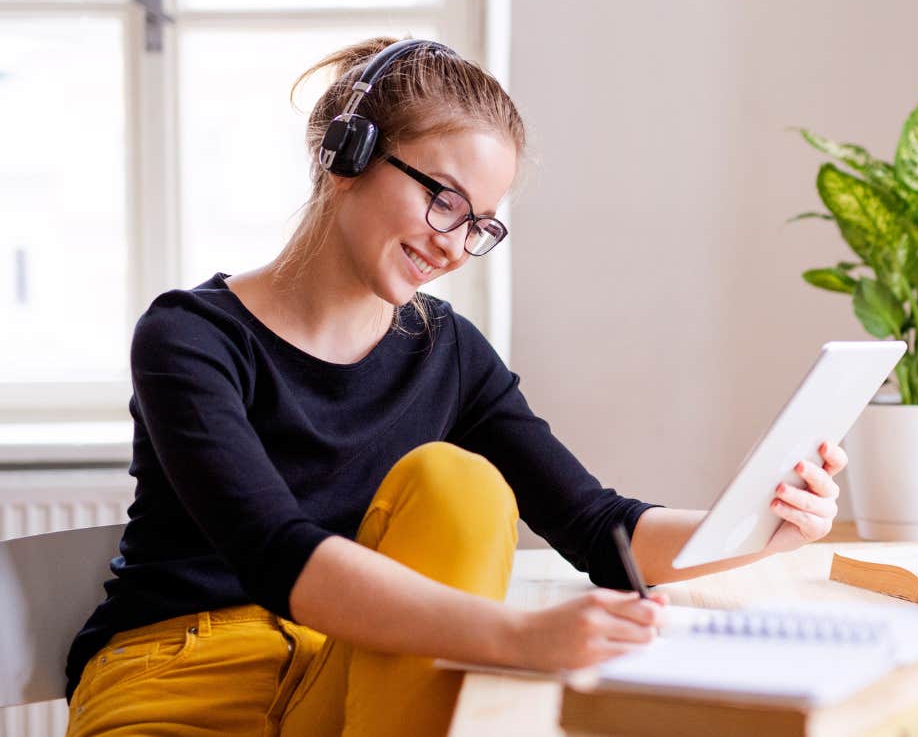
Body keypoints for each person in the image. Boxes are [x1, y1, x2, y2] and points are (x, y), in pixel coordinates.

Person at [62, 37, 847, 736]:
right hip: (180, 671)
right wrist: (516, 635)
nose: (455, 244)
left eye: (480, 223)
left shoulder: (449, 352)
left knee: (458, 483)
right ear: (349, 155)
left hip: (346, 670)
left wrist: (758, 525)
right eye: (443, 198)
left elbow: (599, 527)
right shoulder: (190, 337)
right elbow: (277, 552)